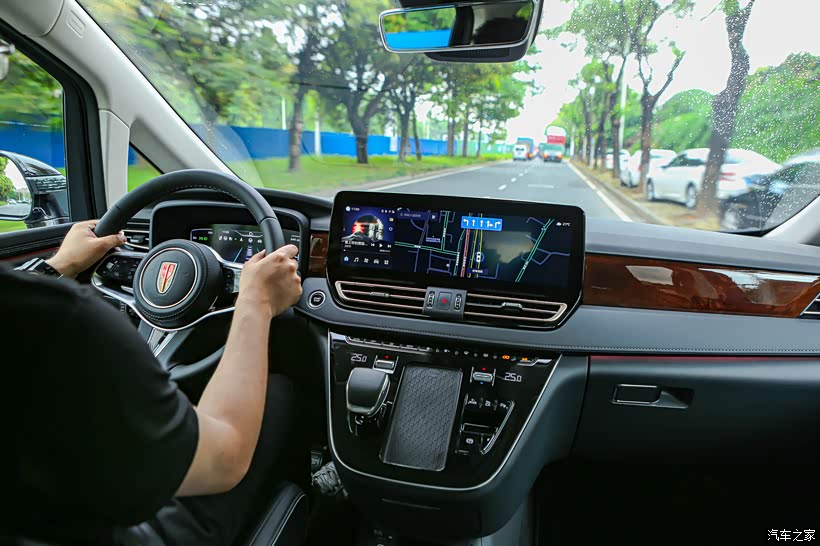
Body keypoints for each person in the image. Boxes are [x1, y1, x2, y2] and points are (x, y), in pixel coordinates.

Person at [0, 220, 303, 545]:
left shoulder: (34, 318)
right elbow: (224, 460)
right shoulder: (67, 320)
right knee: (276, 393)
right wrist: (256, 302)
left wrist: (58, 266)